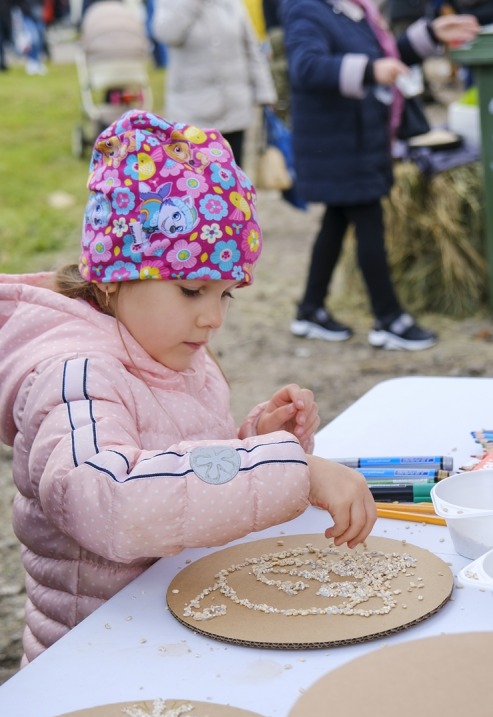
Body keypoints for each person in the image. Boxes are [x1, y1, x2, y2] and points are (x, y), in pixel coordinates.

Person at [0, 109, 376, 665]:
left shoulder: (168, 344)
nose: (213, 318)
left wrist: (253, 441)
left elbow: (183, 462)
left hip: (171, 628)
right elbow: (112, 498)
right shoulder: (72, 372)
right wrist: (284, 469)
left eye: (226, 294)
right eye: (193, 289)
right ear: (112, 275)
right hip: (97, 658)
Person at [282, 1, 480, 350]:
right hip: (338, 143)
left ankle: (310, 310)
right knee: (368, 219)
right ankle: (389, 318)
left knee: (337, 221)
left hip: (358, 139)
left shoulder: (350, 10)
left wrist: (431, 34)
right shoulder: (307, 8)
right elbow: (306, 67)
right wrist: (371, 70)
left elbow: (384, 56)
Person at [151, 0, 277, 167]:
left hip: (234, 110)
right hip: (192, 115)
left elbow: (250, 47)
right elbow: (167, 34)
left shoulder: (232, 3)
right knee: (197, 183)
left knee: (232, 179)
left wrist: (265, 92)